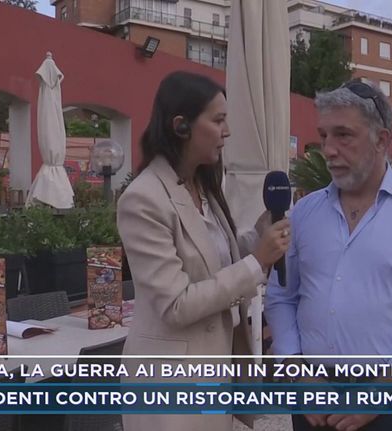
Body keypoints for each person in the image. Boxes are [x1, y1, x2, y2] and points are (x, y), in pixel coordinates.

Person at [265, 79, 392, 431]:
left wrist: (381, 391)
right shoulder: (304, 213)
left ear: (381, 140)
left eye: (343, 135)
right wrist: (297, 372)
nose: (328, 149)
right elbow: (281, 295)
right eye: (324, 136)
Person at [117, 71, 291, 431]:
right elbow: (176, 304)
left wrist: (260, 235)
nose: (227, 131)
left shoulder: (204, 187)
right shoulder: (143, 199)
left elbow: (214, 261)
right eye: (218, 120)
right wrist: (257, 262)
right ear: (181, 126)